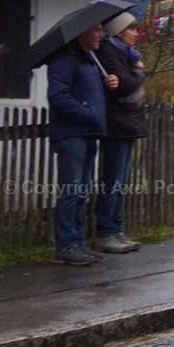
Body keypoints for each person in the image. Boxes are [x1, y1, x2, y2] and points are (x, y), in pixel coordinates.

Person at [46, 22, 119, 265]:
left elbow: (87, 94)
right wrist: (88, 114)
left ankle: (77, 243)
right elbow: (58, 96)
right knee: (71, 190)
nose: (101, 35)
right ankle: (65, 245)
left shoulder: (88, 58)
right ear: (81, 32)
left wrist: (108, 86)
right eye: (97, 30)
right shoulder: (64, 60)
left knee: (81, 191)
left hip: (87, 133)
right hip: (72, 135)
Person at [94, 13, 149, 253]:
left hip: (127, 122)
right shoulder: (109, 51)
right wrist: (140, 71)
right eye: (132, 29)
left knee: (121, 180)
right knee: (113, 180)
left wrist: (134, 71)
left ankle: (116, 229)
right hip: (116, 122)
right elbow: (124, 84)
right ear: (118, 31)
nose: (136, 34)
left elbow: (127, 81)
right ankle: (106, 232)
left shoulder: (125, 53)